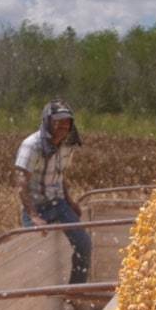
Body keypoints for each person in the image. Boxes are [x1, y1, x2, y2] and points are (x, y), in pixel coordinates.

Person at [15, 100, 93, 287]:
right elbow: (21, 183)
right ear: (47, 122)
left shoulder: (66, 145)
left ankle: (75, 292)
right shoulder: (32, 145)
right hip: (37, 207)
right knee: (32, 256)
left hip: (59, 204)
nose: (62, 127)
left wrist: (69, 200)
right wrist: (34, 216)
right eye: (58, 122)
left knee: (84, 244)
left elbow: (59, 175)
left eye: (66, 122)